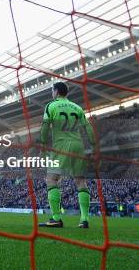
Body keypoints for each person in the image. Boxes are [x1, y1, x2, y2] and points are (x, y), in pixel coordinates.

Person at [38, 82, 95, 229]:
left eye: (52, 90)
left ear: (56, 91)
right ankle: (84, 219)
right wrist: (94, 146)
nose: (52, 93)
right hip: (78, 145)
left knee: (51, 178)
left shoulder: (51, 105)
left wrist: (43, 145)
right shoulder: (77, 107)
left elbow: (45, 126)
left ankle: (56, 218)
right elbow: (88, 127)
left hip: (61, 145)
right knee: (81, 181)